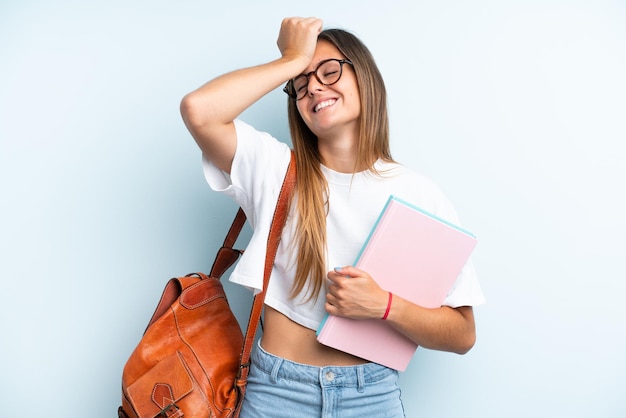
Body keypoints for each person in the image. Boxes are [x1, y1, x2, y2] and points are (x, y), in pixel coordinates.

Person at [180, 16, 485, 418]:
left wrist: (385, 305)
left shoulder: (419, 194)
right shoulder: (273, 169)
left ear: (366, 80)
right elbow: (199, 110)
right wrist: (291, 59)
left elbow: (462, 334)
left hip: (371, 397)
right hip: (276, 394)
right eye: (301, 85)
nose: (315, 88)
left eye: (329, 71)